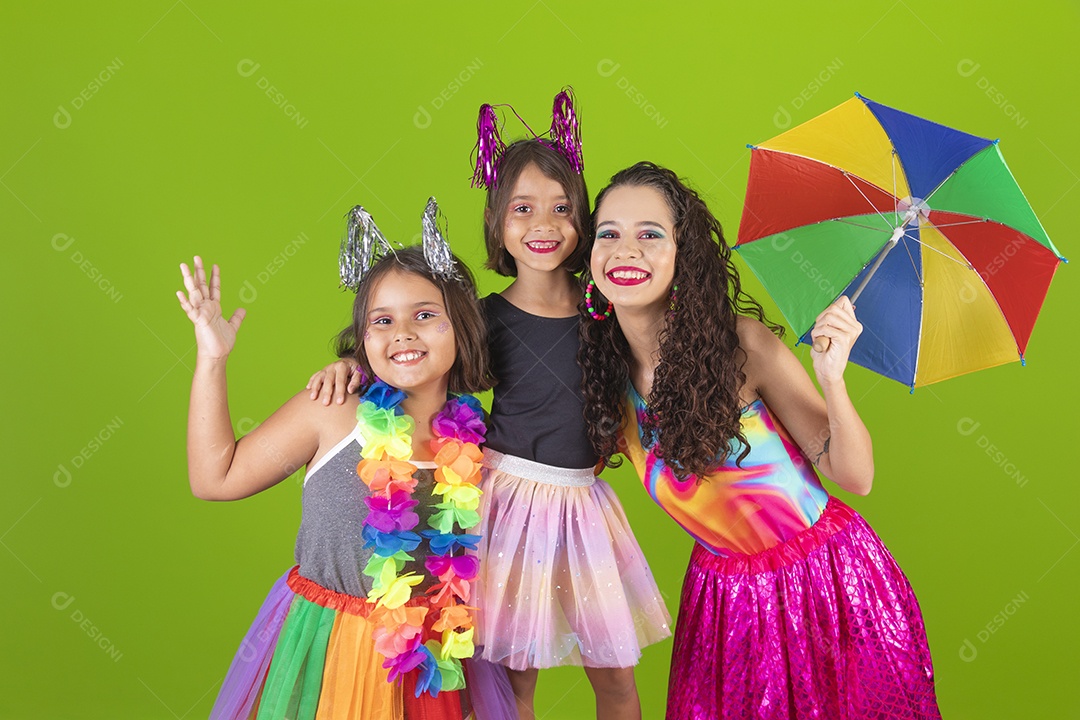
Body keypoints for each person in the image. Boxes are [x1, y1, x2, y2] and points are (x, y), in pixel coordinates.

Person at [307, 93, 671, 720]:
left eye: (561, 209)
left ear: (583, 220)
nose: (543, 225)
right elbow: (418, 359)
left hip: (582, 505)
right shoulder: (486, 317)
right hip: (506, 505)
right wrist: (353, 366)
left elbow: (655, 371)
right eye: (523, 210)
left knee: (616, 680)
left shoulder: (606, 310)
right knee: (510, 685)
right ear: (498, 222)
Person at [577, 162, 940, 719]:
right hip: (725, 601)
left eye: (650, 234)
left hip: (825, 585)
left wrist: (831, 379)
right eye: (610, 233)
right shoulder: (603, 375)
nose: (626, 250)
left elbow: (856, 478)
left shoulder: (742, 347)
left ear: (683, 253)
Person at [179, 202, 517, 720]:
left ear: (462, 328)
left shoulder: (478, 441)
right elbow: (214, 478)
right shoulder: (333, 410)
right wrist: (212, 360)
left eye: (425, 315)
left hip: (429, 672)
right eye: (382, 320)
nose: (402, 333)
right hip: (325, 657)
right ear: (363, 340)